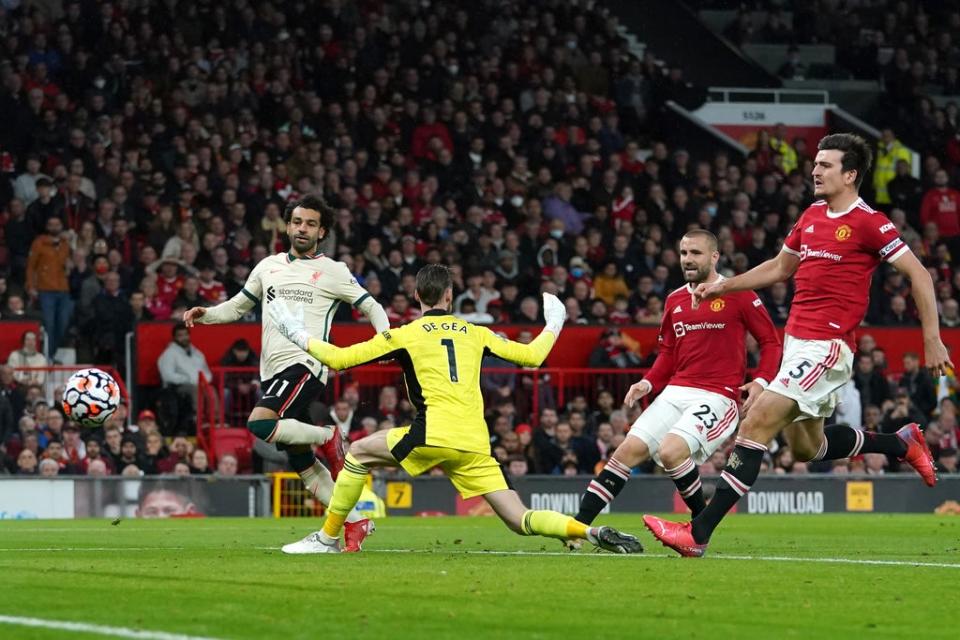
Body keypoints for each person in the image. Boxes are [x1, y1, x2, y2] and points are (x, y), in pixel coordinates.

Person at [645, 133, 949, 557]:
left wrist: (931, 339)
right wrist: (725, 286)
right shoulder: (810, 216)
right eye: (816, 163)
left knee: (755, 425)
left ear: (850, 174)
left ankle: (698, 533)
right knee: (809, 448)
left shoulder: (869, 222)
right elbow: (779, 267)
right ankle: (901, 443)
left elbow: (920, 275)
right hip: (797, 344)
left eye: (825, 165)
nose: (815, 170)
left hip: (827, 346)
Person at [269, 264, 642, 555]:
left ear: (417, 296)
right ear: (450, 296)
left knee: (359, 454)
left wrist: (294, 331)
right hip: (475, 442)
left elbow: (339, 357)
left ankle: (328, 537)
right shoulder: (476, 331)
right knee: (519, 518)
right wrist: (555, 322)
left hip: (433, 432)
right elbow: (533, 357)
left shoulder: (405, 334)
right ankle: (589, 531)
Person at [184, 194, 389, 552]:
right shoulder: (268, 267)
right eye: (297, 222)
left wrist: (385, 340)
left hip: (306, 364)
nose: (302, 229)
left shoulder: (334, 271)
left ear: (321, 231)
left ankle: (328, 435)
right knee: (302, 463)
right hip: (272, 371)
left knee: (259, 423)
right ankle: (354, 519)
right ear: (288, 225)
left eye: (310, 223)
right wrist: (207, 314)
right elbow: (237, 307)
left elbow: (371, 306)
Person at [574, 230, 781, 528]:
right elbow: (668, 353)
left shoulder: (738, 292)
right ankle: (577, 528)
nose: (688, 259)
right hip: (676, 391)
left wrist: (761, 382)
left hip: (718, 395)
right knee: (625, 452)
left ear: (714, 257)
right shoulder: (674, 300)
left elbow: (771, 342)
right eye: (684, 253)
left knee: (670, 451)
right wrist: (647, 382)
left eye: (695, 253)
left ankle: (699, 525)